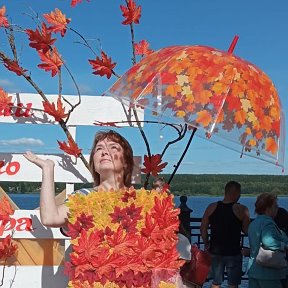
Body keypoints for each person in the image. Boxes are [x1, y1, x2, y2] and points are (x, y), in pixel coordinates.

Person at [24, 130, 134, 228]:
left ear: (126, 162)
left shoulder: (140, 200)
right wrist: (47, 169)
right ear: (94, 164)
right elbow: (50, 218)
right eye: (99, 148)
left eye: (113, 147)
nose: (105, 152)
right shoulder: (83, 197)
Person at [200, 181, 250, 288]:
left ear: (225, 192)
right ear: (237, 194)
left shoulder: (211, 207)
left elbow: (203, 228)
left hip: (215, 252)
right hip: (234, 252)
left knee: (216, 283)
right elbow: (246, 230)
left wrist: (206, 243)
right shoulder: (242, 209)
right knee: (233, 284)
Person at [247, 193, 288, 288]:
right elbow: (268, 241)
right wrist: (284, 246)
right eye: (275, 206)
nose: (277, 208)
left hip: (254, 270)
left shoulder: (254, 223)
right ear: (268, 208)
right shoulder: (268, 223)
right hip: (268, 273)